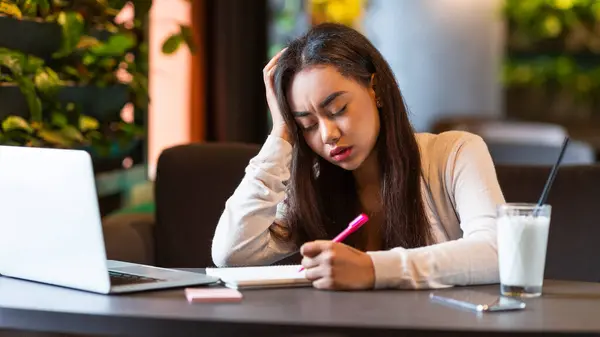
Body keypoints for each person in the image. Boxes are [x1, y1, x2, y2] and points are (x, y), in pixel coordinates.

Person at [211, 23, 505, 291]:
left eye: (338, 109)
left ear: (375, 89)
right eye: (307, 125)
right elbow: (232, 253)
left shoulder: (454, 154)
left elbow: (497, 251)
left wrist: (372, 269)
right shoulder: (313, 187)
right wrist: (280, 134)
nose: (327, 134)